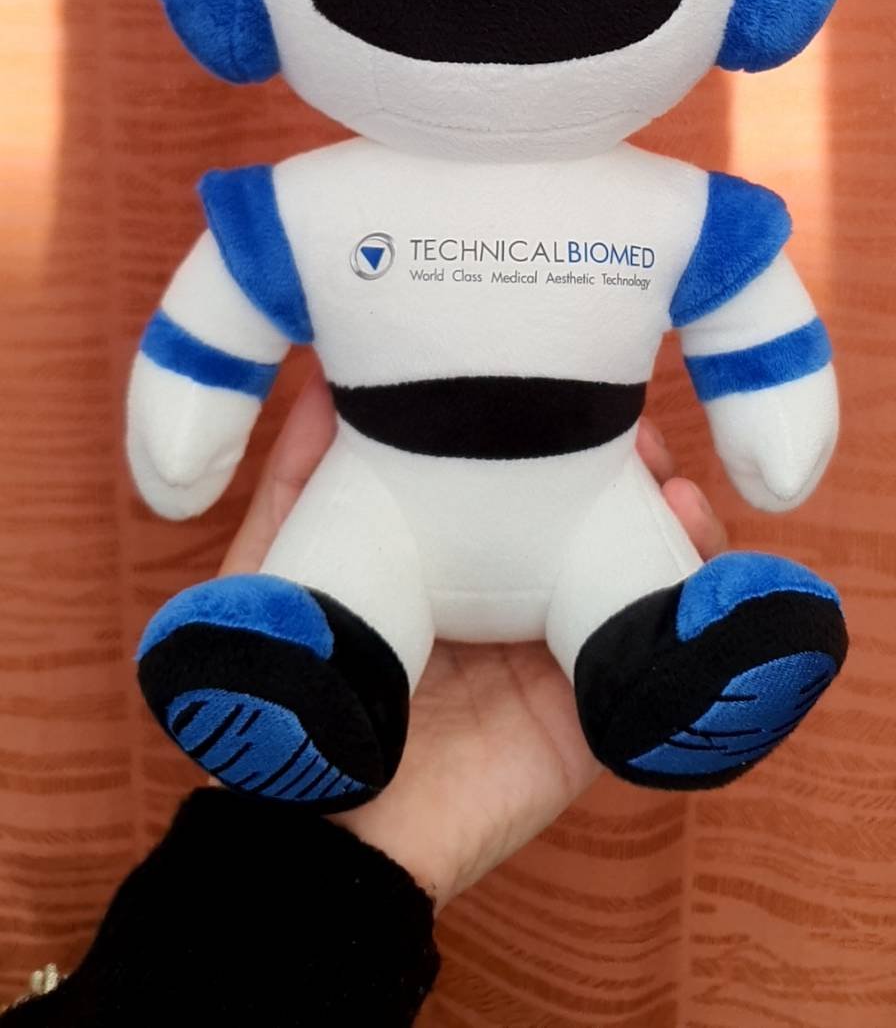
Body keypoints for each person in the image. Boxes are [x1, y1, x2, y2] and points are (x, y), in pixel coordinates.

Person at [8, 372, 726, 1024]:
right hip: (385, 510)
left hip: (558, 489)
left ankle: (680, 641)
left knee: (642, 566)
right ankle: (675, 640)